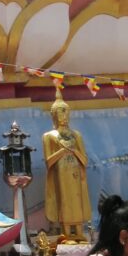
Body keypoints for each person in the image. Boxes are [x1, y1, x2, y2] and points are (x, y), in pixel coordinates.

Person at [42, 88, 92, 241]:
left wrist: (74, 151)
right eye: (60, 112)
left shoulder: (76, 135)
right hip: (60, 175)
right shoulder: (49, 136)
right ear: (54, 115)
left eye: (66, 112)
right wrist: (62, 151)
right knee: (64, 201)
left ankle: (79, 232)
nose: (64, 116)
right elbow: (48, 162)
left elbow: (84, 160)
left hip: (76, 174)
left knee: (77, 201)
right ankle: (65, 232)